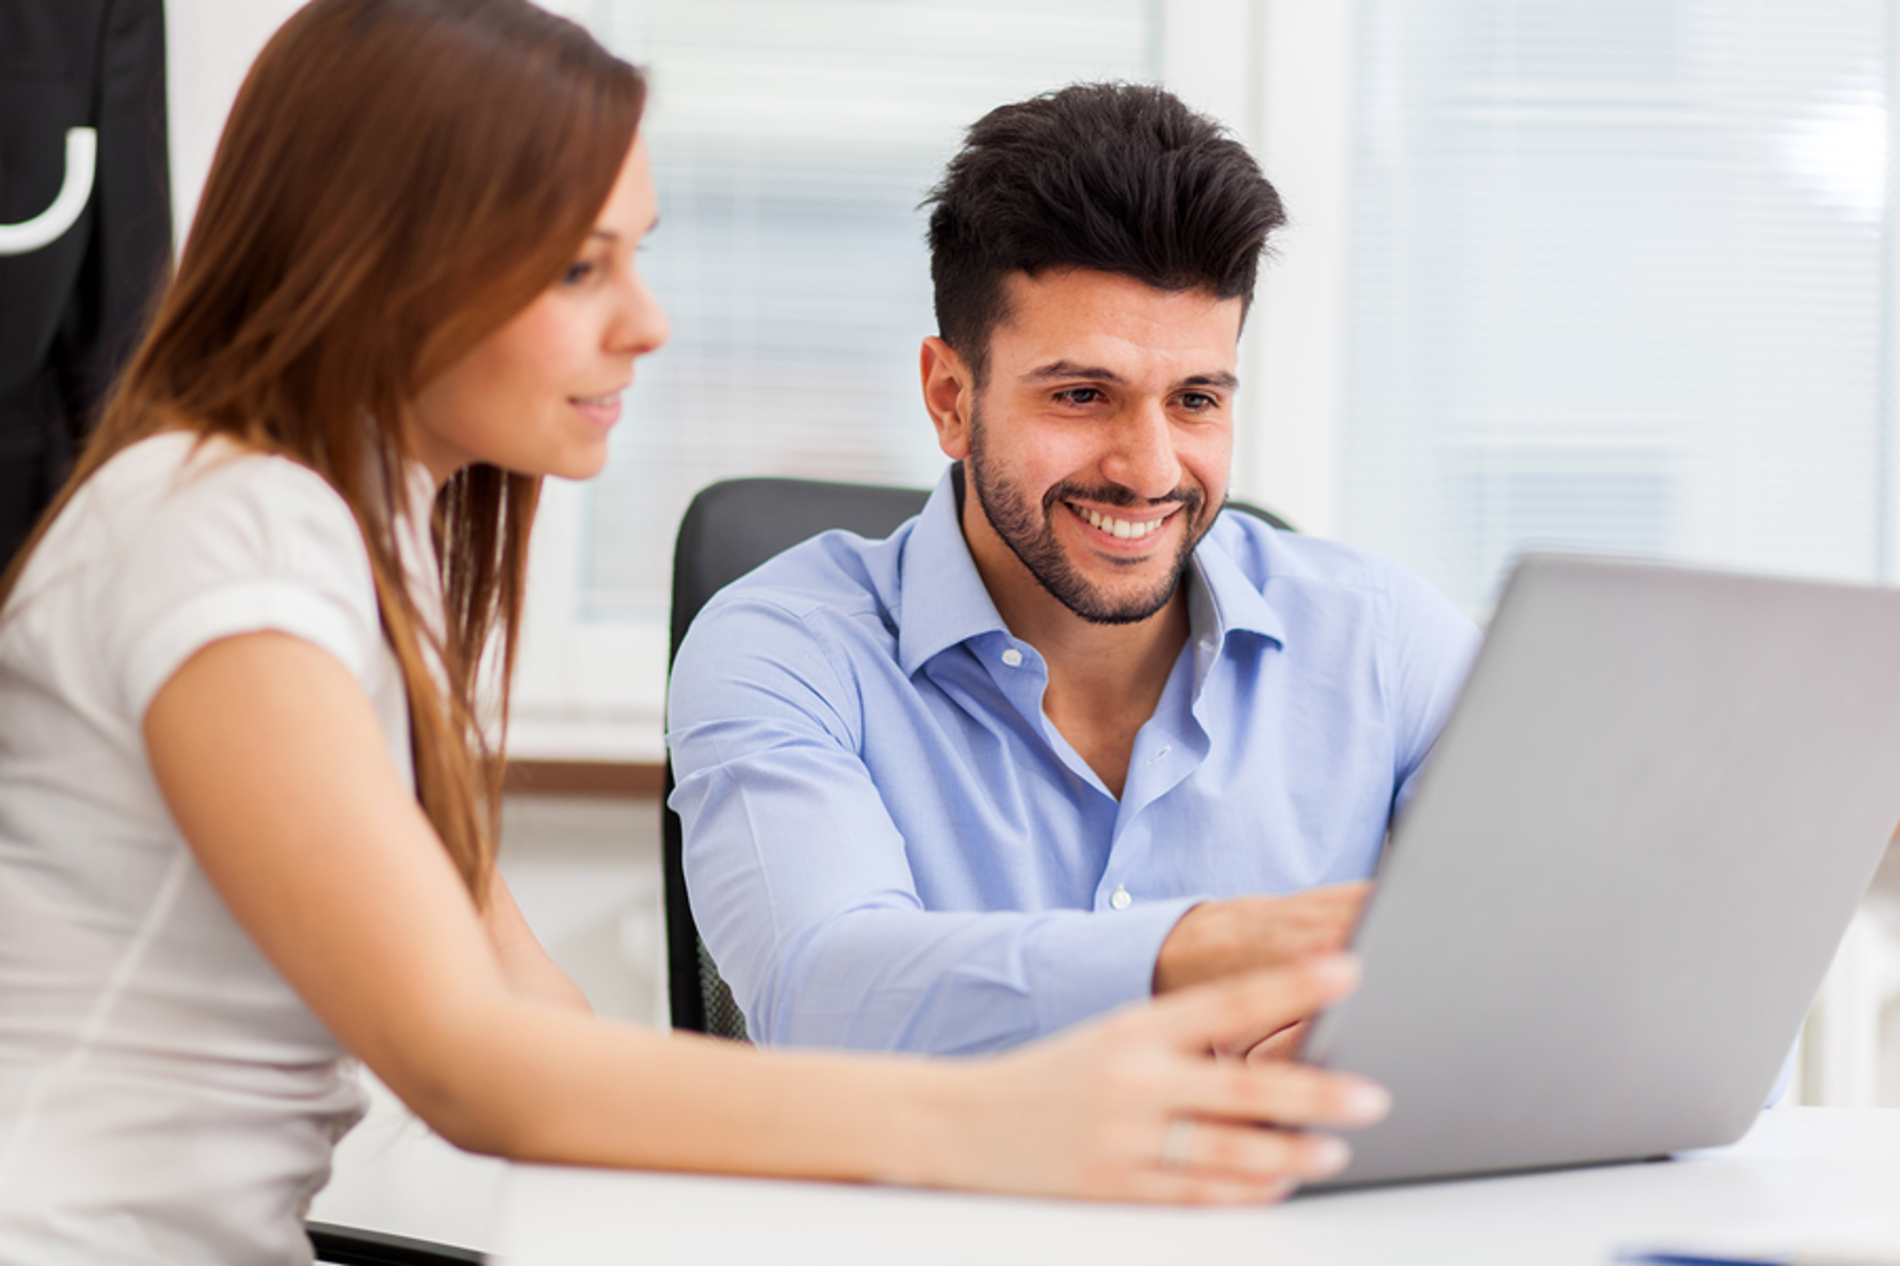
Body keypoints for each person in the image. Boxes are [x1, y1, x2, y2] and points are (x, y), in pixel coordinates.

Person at [0, 2, 1394, 1260]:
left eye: (638, 260)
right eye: (577, 272)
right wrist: (1001, 1118)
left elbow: (543, 1034)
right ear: (388, 266)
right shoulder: (224, 536)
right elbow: (469, 1065)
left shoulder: (353, 557)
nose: (649, 324)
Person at [667, 84, 1481, 1055]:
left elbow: (1569, 928)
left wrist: (1353, 1037)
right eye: (1083, 394)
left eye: (1194, 401)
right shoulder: (784, 646)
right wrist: (1190, 958)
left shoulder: (1381, 638)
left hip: (1279, 1207)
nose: (1148, 469)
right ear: (948, 397)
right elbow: (822, 994)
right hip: (927, 1210)